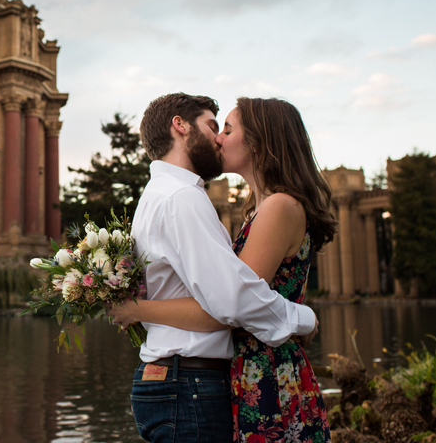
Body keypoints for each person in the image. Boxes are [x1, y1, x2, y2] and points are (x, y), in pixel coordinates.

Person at [111, 96, 336, 443]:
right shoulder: (183, 198)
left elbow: (228, 301)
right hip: (200, 379)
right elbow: (231, 302)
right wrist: (302, 318)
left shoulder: (169, 195)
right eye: (216, 127)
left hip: (239, 372)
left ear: (259, 140)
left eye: (227, 130)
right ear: (180, 126)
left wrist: (137, 310)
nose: (218, 139)